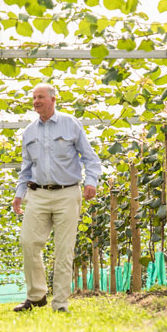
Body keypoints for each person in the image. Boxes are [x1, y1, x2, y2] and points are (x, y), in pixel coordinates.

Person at [12, 84, 102, 313]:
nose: (35, 101)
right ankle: (36, 296)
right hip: (38, 194)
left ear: (53, 99)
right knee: (28, 242)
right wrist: (19, 194)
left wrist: (91, 181)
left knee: (64, 250)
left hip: (67, 193)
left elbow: (90, 158)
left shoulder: (70, 124)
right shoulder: (29, 131)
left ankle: (60, 303)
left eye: (40, 97)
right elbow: (26, 167)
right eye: (33, 97)